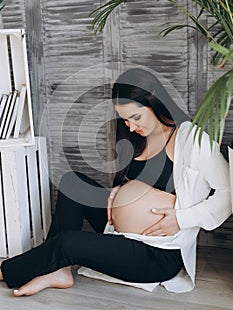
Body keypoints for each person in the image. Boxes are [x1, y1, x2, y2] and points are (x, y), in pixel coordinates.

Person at [0, 68, 231, 296]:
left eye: (136, 117)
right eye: (125, 119)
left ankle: (5, 271)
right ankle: (58, 270)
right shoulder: (134, 137)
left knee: (68, 243)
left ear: (155, 102)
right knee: (73, 183)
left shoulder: (192, 138)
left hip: (156, 254)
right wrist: (118, 192)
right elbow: (138, 188)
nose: (130, 126)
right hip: (119, 232)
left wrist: (182, 219)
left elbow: (228, 194)